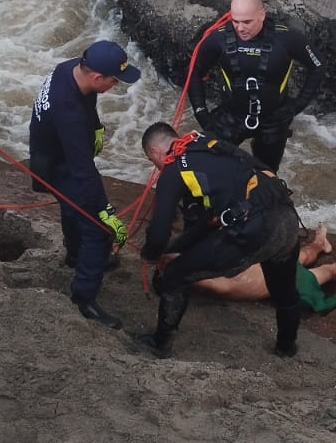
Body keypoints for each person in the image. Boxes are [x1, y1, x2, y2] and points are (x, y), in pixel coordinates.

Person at [134, 122, 303, 357]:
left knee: (174, 275)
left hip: (256, 230)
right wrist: (180, 248)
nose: (156, 167)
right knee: (284, 290)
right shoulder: (207, 142)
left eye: (152, 161)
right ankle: (286, 347)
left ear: (155, 152)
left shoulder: (173, 170)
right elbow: (209, 221)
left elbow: (158, 234)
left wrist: (152, 255)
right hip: (287, 217)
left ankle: (159, 344)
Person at [27, 40, 141, 330]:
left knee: (72, 208)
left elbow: (87, 100)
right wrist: (105, 211)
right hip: (57, 163)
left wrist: (96, 126)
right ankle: (84, 299)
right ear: (97, 76)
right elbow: (83, 171)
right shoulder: (68, 112)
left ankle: (75, 255)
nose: (116, 85)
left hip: (51, 150)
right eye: (114, 80)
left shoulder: (69, 69)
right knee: (96, 228)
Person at [187, 0, 325, 171]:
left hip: (273, 119)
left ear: (262, 14)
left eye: (247, 22)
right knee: (212, 170)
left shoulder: (287, 39)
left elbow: (318, 66)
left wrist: (296, 106)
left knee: (267, 176)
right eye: (235, 21)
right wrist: (201, 113)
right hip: (231, 117)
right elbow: (195, 72)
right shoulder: (218, 39)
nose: (240, 28)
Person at [192, 225, 336, 312]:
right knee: (330, 271)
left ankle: (319, 243)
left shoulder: (221, 258)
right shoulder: (221, 284)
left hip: (268, 263)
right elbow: (190, 276)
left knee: (303, 255)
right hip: (283, 282)